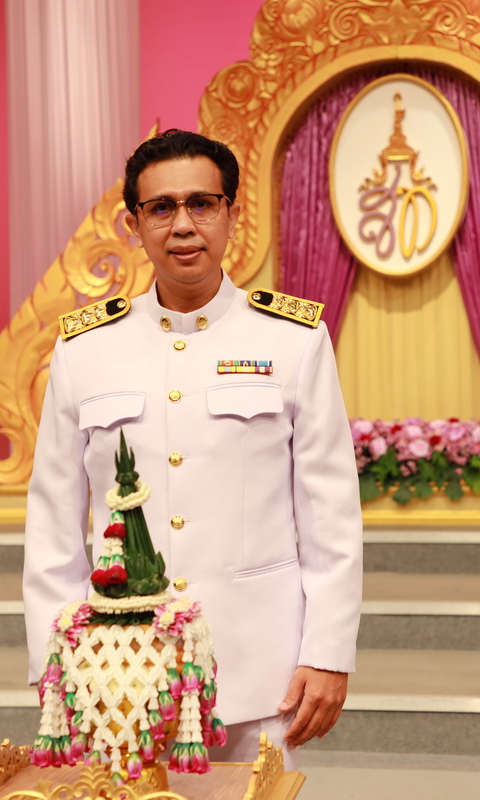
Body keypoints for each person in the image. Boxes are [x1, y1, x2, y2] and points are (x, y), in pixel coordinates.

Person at [23, 129, 363, 765]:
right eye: (161, 207)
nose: (183, 225)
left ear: (232, 215)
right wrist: (56, 664)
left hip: (259, 671)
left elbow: (331, 517)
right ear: (134, 225)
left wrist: (328, 652)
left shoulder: (293, 340)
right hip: (118, 675)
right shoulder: (85, 350)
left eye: (202, 204)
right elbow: (53, 529)